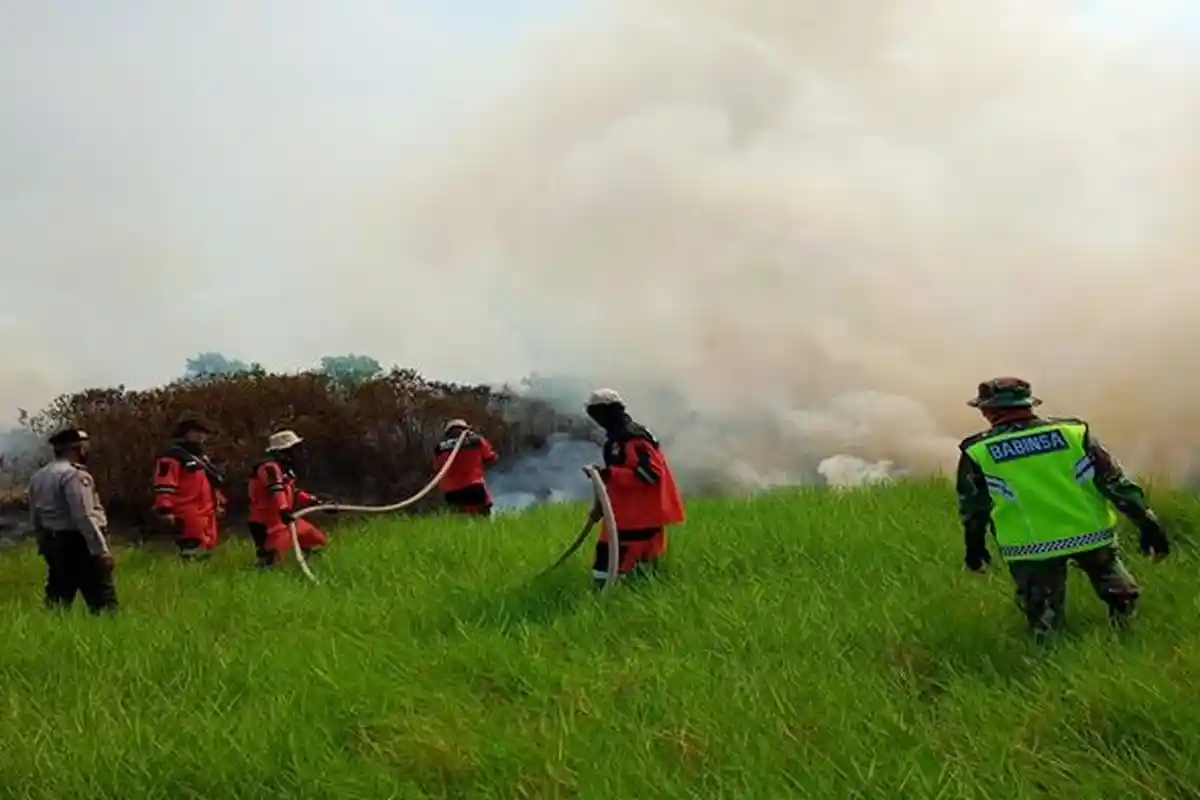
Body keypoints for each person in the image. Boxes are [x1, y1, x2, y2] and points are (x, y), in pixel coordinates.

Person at [956, 377, 1169, 637]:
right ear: (1028, 405)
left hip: (1032, 548)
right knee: (1120, 594)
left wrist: (975, 549)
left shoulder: (979, 450)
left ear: (989, 411)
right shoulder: (1074, 433)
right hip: (1090, 536)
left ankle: (1049, 661)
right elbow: (1115, 484)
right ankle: (1127, 637)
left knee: (1045, 626)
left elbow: (973, 509)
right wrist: (1147, 523)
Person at [583, 388, 685, 585]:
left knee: (620, 572)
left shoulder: (634, 439)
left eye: (597, 413)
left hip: (640, 518)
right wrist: (600, 507)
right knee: (612, 568)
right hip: (625, 516)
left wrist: (608, 474)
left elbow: (649, 474)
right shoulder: (617, 439)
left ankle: (615, 603)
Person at [27, 428, 117, 614]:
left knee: (58, 599)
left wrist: (43, 543)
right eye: (85, 445)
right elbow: (83, 515)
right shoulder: (75, 475)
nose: (88, 449)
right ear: (76, 448)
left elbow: (35, 515)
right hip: (79, 543)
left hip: (54, 542)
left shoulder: (40, 476)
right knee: (102, 601)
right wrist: (100, 550)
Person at [247, 430, 331, 567]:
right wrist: (283, 509)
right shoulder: (269, 468)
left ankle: (312, 566)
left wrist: (315, 502)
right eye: (294, 449)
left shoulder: (285, 470)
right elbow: (277, 489)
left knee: (316, 540)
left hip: (286, 521)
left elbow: (292, 493)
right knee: (273, 562)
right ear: (283, 452)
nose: (298, 453)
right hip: (269, 524)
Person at [151, 415, 226, 559]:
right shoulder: (172, 458)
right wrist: (165, 510)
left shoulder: (200, 458)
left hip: (207, 514)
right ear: (186, 433)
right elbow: (164, 485)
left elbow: (210, 483)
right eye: (198, 432)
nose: (202, 437)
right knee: (193, 552)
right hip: (187, 513)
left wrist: (219, 503)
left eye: (204, 433)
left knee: (207, 551)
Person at [433, 419, 498, 517]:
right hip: (474, 487)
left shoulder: (440, 448)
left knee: (460, 523)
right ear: (466, 430)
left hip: (452, 493)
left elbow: (437, 468)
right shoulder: (477, 441)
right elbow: (491, 457)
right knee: (483, 522)